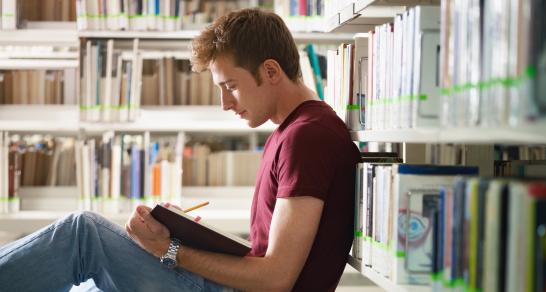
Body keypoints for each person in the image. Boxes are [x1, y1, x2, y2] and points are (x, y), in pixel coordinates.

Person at [0, 8, 361, 292]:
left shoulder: (308, 136)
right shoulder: (294, 131)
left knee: (82, 234)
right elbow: (267, 254)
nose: (225, 103)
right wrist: (184, 235)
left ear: (270, 71)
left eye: (231, 86)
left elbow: (275, 278)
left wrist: (169, 250)